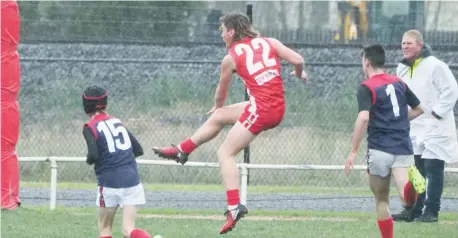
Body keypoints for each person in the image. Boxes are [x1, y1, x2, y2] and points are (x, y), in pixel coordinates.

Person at [152, 12, 308, 234]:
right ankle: (181, 150)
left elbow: (221, 91)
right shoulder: (269, 42)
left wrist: (217, 105)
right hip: (274, 106)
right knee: (219, 117)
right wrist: (298, 74)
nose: (221, 35)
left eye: (222, 30)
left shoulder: (231, 58)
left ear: (232, 31)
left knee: (225, 153)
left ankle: (234, 207)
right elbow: (299, 60)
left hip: (262, 110)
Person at [345, 44, 425, 238]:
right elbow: (419, 109)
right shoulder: (399, 82)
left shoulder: (367, 87)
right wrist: (398, 120)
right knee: (406, 201)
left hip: (379, 148)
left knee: (381, 200)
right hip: (403, 147)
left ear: (367, 62)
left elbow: (363, 118)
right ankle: (412, 188)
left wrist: (353, 151)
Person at [392, 30, 458, 223]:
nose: (405, 46)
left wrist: (437, 112)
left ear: (419, 46)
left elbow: (451, 90)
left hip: (436, 127)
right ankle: (414, 209)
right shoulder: (401, 69)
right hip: (415, 127)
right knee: (415, 169)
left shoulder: (436, 66)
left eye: (409, 43)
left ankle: (431, 211)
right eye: (403, 43)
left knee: (432, 167)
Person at [82, 86, 152, 238]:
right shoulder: (117, 122)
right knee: (128, 230)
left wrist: (89, 160)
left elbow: (93, 156)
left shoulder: (90, 127)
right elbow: (138, 150)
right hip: (132, 180)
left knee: (105, 228)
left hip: (109, 181)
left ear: (86, 106)